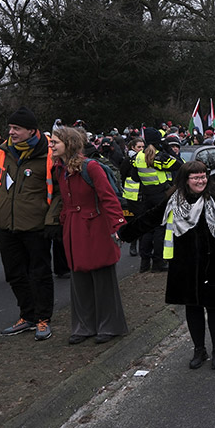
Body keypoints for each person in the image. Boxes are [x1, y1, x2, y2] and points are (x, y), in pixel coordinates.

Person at [120, 161, 215, 369]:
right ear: (186, 180)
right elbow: (149, 219)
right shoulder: (173, 201)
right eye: (196, 177)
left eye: (203, 176)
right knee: (193, 308)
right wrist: (124, 234)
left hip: (214, 263)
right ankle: (199, 349)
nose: (201, 181)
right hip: (184, 264)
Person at [0, 107, 62, 340]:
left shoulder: (48, 154)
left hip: (36, 227)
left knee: (40, 274)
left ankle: (43, 319)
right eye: (10, 127)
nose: (11, 132)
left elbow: (59, 192)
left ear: (31, 130)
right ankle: (27, 315)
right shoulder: (4, 151)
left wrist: (51, 221)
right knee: (14, 274)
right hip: (7, 226)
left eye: (16, 128)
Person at [50, 127, 129, 344]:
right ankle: (84, 326)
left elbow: (109, 198)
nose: (51, 145)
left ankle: (109, 326)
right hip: (73, 228)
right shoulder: (59, 169)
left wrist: (119, 226)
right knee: (79, 279)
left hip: (96, 227)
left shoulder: (91, 167)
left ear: (69, 144)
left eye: (55, 142)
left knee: (103, 278)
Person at [132, 127, 182, 272]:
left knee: (148, 228)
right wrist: (168, 148)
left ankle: (144, 263)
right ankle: (158, 262)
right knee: (161, 229)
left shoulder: (138, 156)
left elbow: (135, 177)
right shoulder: (159, 157)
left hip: (146, 195)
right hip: (161, 194)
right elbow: (178, 164)